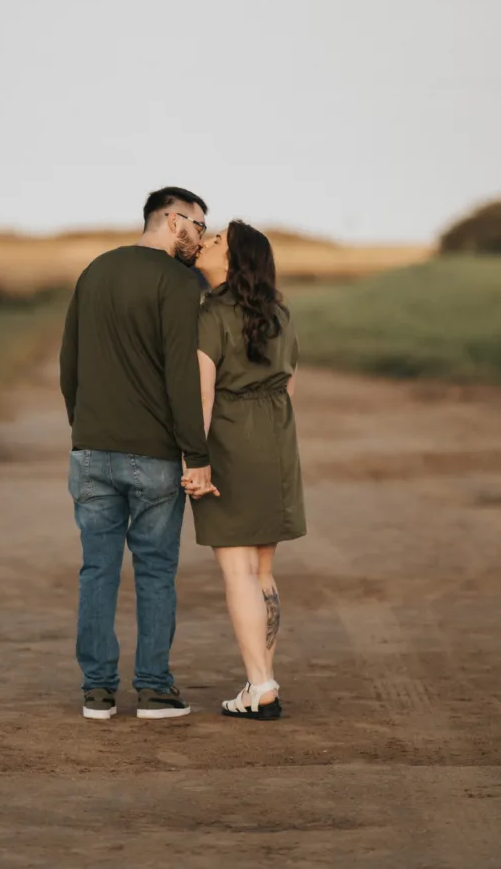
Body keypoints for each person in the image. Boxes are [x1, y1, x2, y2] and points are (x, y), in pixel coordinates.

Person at [60, 187, 218, 720]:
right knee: (154, 572)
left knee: (96, 571)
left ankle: (97, 693)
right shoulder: (176, 281)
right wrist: (195, 454)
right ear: (174, 221)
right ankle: (153, 689)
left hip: (91, 451)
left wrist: (82, 430)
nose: (201, 238)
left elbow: (69, 364)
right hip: (153, 457)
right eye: (199, 225)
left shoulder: (95, 270)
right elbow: (181, 372)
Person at [182, 220, 306, 720]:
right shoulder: (280, 312)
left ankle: (260, 685)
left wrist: (197, 459)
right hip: (277, 439)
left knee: (237, 570)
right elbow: (290, 385)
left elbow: (203, 395)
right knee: (263, 571)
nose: (205, 243)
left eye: (215, 242)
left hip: (231, 438)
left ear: (232, 262)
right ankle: (263, 681)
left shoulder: (210, 312)